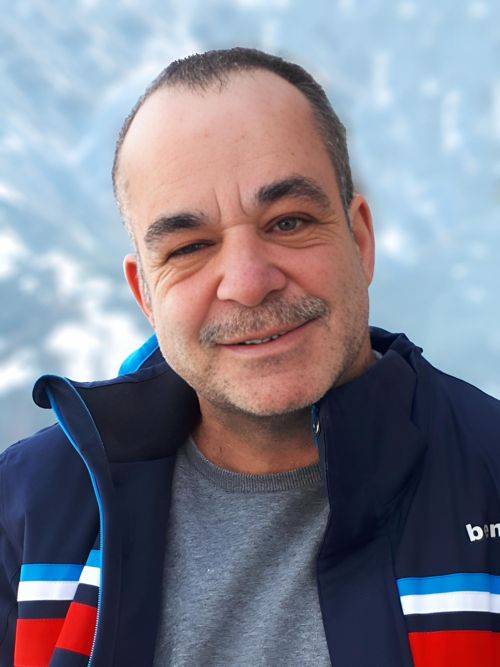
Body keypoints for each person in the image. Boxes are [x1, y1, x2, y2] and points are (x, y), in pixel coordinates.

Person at [1, 47, 499, 667]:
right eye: (189, 247)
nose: (248, 282)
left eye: (288, 222)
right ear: (145, 295)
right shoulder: (24, 515)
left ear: (360, 240)